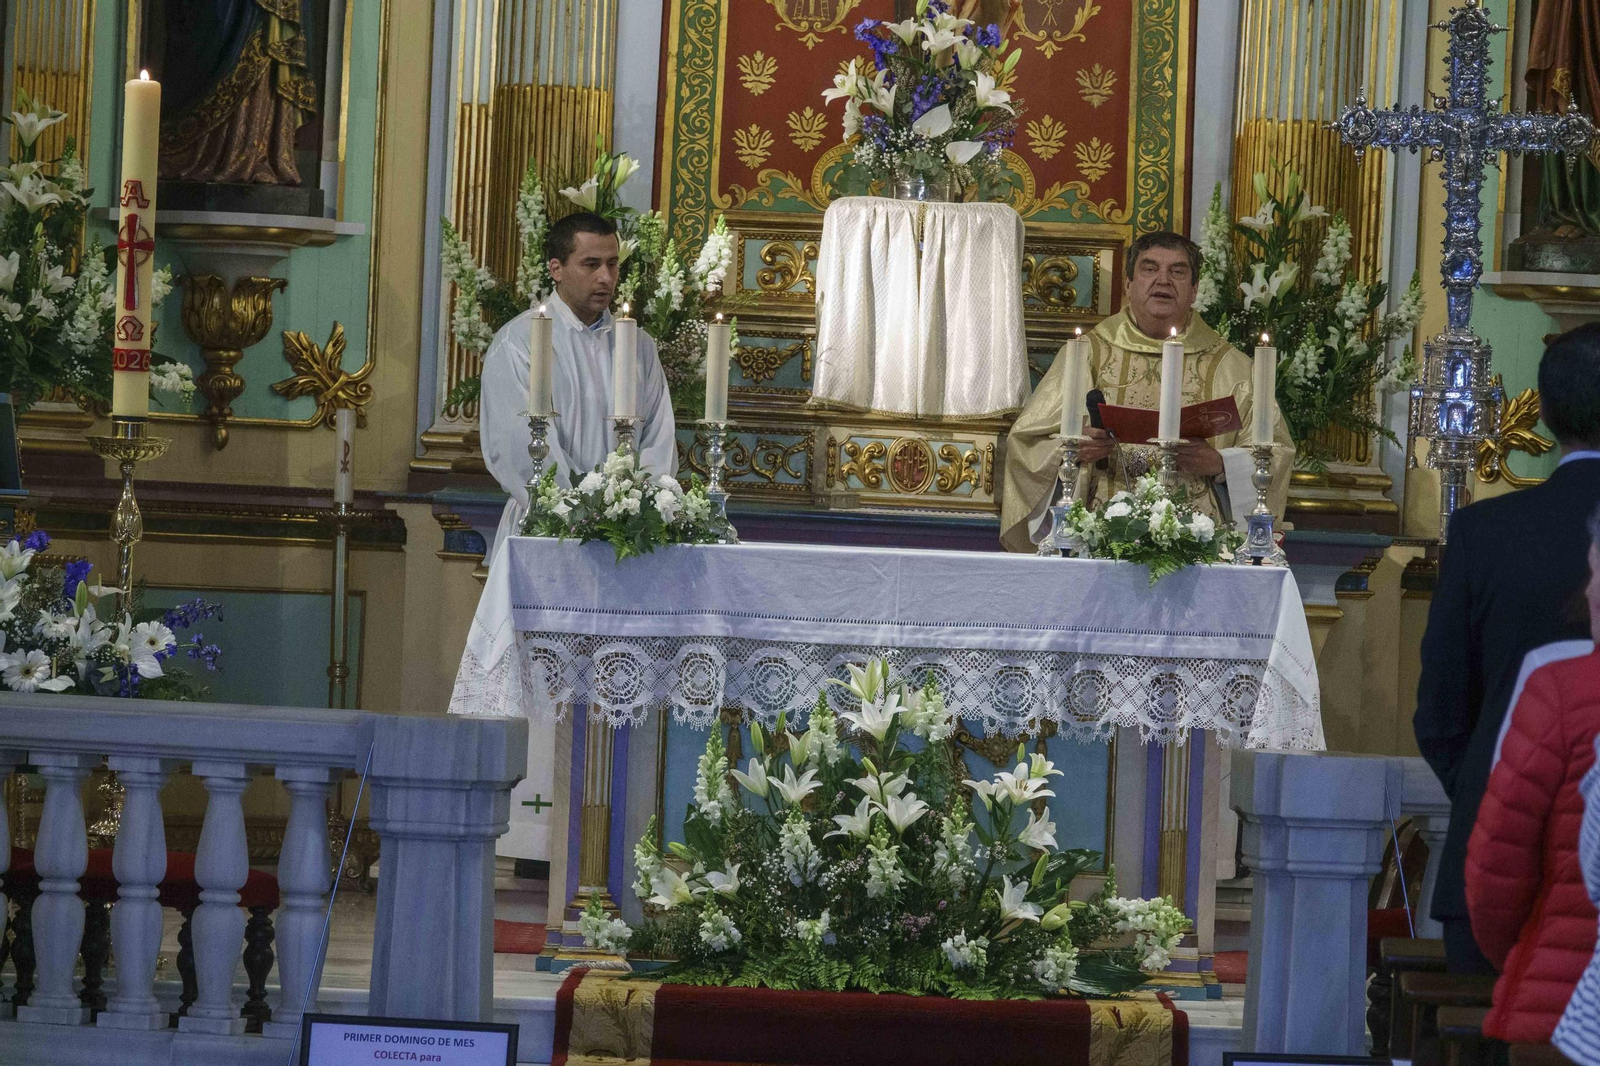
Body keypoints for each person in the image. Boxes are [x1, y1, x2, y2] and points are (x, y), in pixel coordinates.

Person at [1417, 321, 1600, 973]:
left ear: (1544, 414)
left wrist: (1494, 796)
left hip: (1495, 877)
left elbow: (1440, 715)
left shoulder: (1484, 533)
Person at [999, 231, 1294, 553]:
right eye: (1149, 269)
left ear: (1194, 289)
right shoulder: (1086, 354)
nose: (1163, 280)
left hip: (1200, 542)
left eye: (1177, 271)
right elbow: (1027, 442)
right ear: (1128, 285)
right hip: (1096, 533)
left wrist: (1221, 463)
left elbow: (1274, 452)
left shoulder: (1234, 367)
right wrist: (1072, 447)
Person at [1464, 506, 1600, 1042]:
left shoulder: (1564, 691)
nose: (1588, 592)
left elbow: (1497, 868)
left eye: (1595, 574)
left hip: (1566, 1006)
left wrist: (1527, 953)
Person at [479, 211, 678, 565]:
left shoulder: (637, 345)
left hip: (626, 539)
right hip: (546, 531)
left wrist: (635, 508)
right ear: (556, 269)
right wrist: (579, 511)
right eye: (591, 264)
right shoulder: (518, 341)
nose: (606, 277)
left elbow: (659, 436)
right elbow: (514, 444)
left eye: (613, 264)